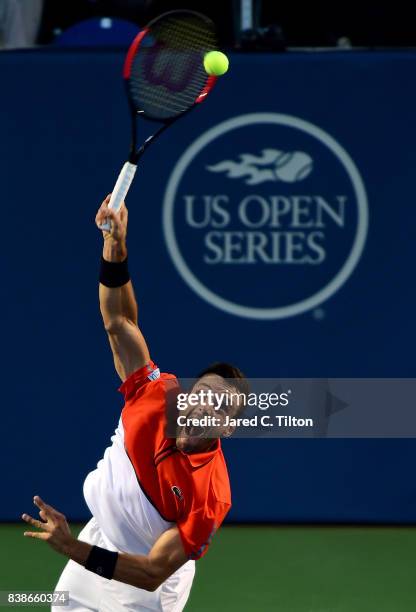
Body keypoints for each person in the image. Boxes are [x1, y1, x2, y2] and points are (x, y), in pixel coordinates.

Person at [22, 195, 248, 611]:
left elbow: (150, 572)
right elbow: (119, 323)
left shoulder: (210, 495)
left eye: (218, 408)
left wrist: (70, 547)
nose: (203, 408)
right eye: (203, 395)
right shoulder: (154, 394)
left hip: (146, 584)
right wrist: (115, 246)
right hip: (99, 540)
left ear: (227, 429)